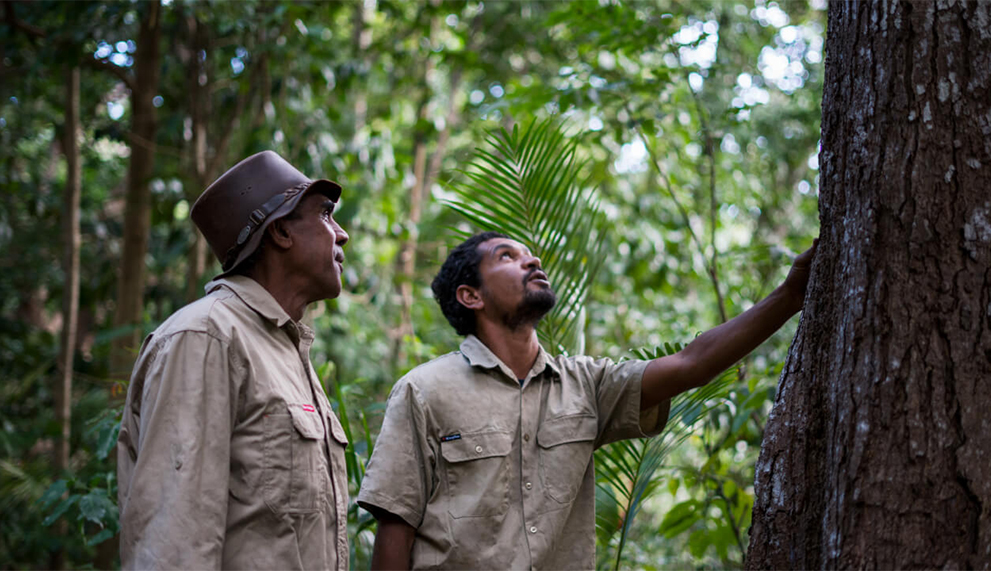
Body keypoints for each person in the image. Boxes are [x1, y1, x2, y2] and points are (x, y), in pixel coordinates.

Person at [357, 231, 816, 570]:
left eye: (529, 254)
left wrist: (791, 295)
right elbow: (397, 528)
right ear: (470, 295)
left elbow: (691, 364)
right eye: (507, 256)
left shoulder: (586, 386)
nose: (531, 260)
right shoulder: (424, 390)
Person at [117, 151, 353, 570]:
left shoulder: (282, 346)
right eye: (325, 215)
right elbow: (174, 544)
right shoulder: (205, 338)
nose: (342, 234)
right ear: (280, 231)